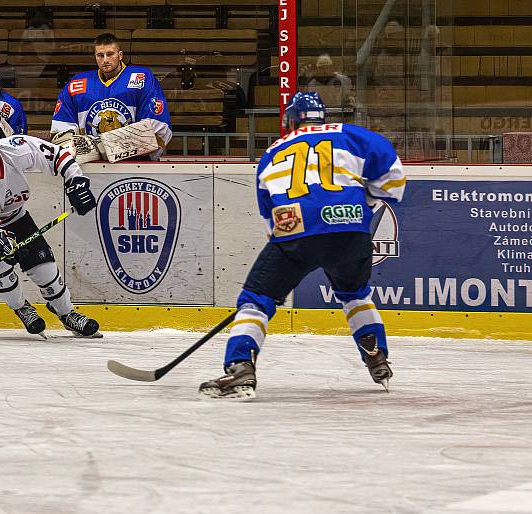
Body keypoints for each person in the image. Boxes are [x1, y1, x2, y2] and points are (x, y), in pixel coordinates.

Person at [199, 92, 406, 400]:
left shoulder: (273, 151)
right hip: (351, 230)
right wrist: (361, 205)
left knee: (256, 299)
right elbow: (394, 180)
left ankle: (241, 366)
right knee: (355, 295)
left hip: (295, 228)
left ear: (291, 120)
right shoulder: (352, 136)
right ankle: (377, 359)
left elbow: (269, 217)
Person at [0, 118, 101, 337]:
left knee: (44, 269)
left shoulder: (17, 149)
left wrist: (75, 181)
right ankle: (21, 307)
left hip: (14, 215)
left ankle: (67, 313)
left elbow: (58, 155)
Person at [50, 32, 172, 161]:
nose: (105, 60)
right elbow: (61, 133)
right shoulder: (78, 84)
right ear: (95, 56)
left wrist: (103, 146)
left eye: (110, 54)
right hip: (92, 168)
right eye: (100, 55)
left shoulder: (141, 78)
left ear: (120, 55)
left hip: (136, 165)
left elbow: (156, 129)